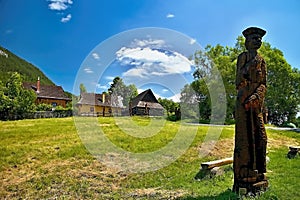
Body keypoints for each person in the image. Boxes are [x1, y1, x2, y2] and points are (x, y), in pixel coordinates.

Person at [233, 27, 268, 192]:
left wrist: (257, 96)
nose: (257, 41)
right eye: (254, 38)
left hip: (256, 104)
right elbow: (239, 80)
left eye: (259, 39)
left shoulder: (262, 60)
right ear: (247, 41)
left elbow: (264, 84)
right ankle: (244, 172)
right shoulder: (243, 57)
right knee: (245, 139)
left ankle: (260, 170)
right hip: (243, 103)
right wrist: (249, 66)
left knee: (261, 137)